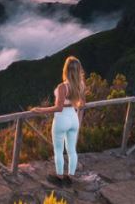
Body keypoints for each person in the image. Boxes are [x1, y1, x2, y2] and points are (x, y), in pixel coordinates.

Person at [32, 56, 86, 186]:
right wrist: (73, 109)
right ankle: (70, 177)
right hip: (73, 118)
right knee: (72, 150)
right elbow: (82, 104)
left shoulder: (62, 87)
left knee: (58, 150)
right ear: (79, 70)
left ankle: (60, 176)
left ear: (66, 70)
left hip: (62, 119)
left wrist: (40, 110)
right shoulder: (81, 85)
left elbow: (58, 107)